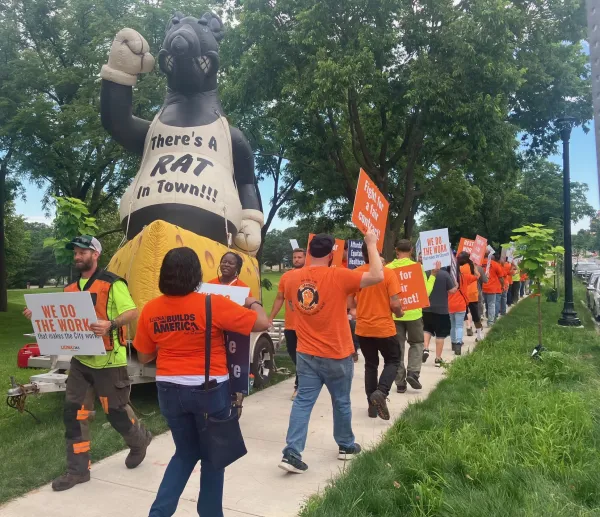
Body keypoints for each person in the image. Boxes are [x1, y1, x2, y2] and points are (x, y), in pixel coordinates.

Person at [133, 247, 269, 517]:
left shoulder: (151, 309)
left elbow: (145, 356)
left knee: (184, 453)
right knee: (213, 456)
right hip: (209, 390)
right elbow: (263, 323)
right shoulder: (212, 303)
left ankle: (158, 513)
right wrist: (253, 302)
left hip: (169, 390)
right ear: (196, 275)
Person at [23, 235, 150, 491]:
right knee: (74, 414)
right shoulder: (70, 289)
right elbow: (61, 319)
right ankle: (78, 471)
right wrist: (38, 316)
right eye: (76, 252)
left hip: (109, 361)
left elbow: (132, 312)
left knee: (116, 412)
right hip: (81, 361)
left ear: (96, 254)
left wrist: (111, 324)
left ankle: (139, 440)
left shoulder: (112, 284)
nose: (78, 256)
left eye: (83, 252)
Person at [278, 231, 384, 474]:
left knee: (303, 402)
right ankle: (346, 445)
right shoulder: (339, 275)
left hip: (306, 352)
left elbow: (293, 305)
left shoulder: (292, 278)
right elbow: (377, 275)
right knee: (341, 401)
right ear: (332, 253)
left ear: (308, 251)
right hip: (336, 351)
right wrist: (370, 244)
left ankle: (292, 452)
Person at [351, 242, 404, 420]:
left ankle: (371, 407)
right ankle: (381, 392)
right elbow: (395, 303)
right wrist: (399, 312)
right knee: (393, 360)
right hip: (384, 328)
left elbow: (350, 303)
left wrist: (359, 308)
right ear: (376, 254)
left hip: (363, 328)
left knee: (370, 365)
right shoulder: (387, 273)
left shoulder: (357, 273)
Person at [386, 240, 436, 393]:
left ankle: (400, 383)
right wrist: (433, 276)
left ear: (396, 250)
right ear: (412, 250)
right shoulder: (417, 268)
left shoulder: (387, 269)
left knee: (397, 348)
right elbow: (424, 294)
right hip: (414, 314)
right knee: (417, 343)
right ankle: (413, 372)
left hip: (395, 315)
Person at [268, 248, 306, 400]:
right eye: (294, 257)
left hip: (306, 326)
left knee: (303, 356)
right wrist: (271, 317)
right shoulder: (286, 276)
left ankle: (299, 386)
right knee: (294, 354)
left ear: (305, 258)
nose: (296, 259)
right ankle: (306, 379)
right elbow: (279, 298)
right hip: (290, 325)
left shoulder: (311, 275)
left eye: (299, 257)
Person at [422, 263, 458, 367]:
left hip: (426, 308)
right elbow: (451, 291)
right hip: (442, 309)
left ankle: (426, 348)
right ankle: (438, 358)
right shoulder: (445, 274)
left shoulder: (426, 273)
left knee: (427, 329)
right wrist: (456, 286)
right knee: (440, 334)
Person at [449, 254, 479, 355]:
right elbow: (477, 276)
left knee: (452, 325)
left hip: (450, 305)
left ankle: (453, 344)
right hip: (461, 304)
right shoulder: (465, 277)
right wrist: (474, 266)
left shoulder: (448, 278)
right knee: (459, 326)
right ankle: (458, 343)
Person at [462, 253, 487, 342]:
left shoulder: (460, 268)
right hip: (473, 294)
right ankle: (479, 335)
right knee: (476, 315)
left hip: (462, 295)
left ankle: (460, 337)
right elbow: (478, 276)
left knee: (462, 315)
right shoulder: (472, 267)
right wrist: (474, 265)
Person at [482, 251, 505, 326]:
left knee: (484, 304)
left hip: (481, 288)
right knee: (491, 304)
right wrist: (502, 285)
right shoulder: (495, 264)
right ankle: (490, 322)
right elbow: (501, 277)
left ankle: (485, 317)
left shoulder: (479, 263)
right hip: (492, 288)